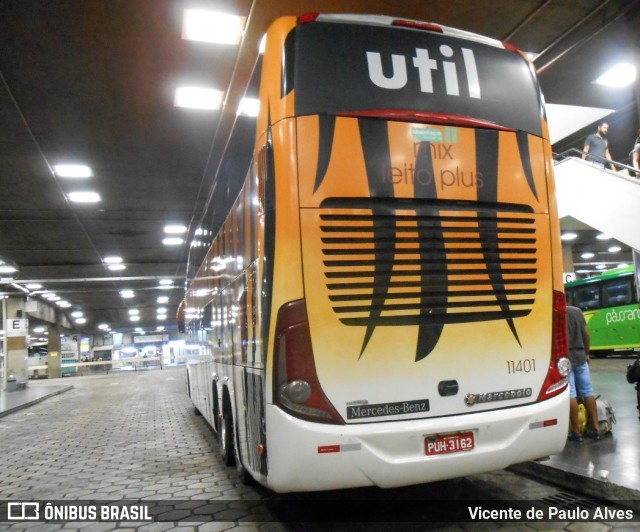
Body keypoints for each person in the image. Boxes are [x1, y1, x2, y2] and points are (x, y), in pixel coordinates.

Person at [567, 305, 602, 442]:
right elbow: (586, 333)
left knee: (571, 394)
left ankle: (576, 432)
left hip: (566, 359)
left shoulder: (556, 313)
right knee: (588, 391)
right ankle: (596, 428)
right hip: (581, 355)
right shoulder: (577, 311)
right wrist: (587, 352)